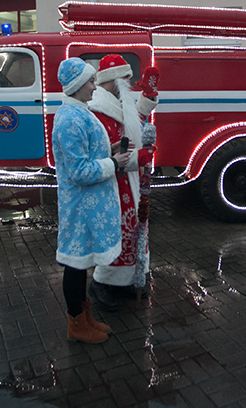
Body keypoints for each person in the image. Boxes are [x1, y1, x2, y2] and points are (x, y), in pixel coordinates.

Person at [52, 57, 132, 343]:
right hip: (80, 208)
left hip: (88, 207)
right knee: (75, 266)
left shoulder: (80, 112)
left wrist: (108, 148)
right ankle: (76, 323)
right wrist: (112, 162)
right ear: (75, 86)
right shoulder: (70, 120)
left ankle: (84, 317)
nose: (94, 85)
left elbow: (88, 151)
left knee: (82, 263)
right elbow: (79, 171)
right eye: (89, 81)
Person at [87, 54, 159, 311]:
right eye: (127, 79)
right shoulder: (98, 112)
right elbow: (105, 153)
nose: (130, 84)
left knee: (134, 233)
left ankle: (127, 280)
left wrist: (149, 97)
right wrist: (140, 157)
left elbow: (134, 119)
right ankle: (102, 283)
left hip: (129, 183)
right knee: (115, 234)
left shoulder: (116, 102)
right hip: (112, 184)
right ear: (115, 80)